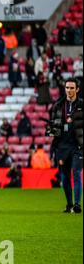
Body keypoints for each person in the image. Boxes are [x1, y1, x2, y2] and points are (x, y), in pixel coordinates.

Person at [49, 78, 83, 213]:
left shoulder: (82, 105)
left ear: (77, 90)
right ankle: (69, 205)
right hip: (62, 146)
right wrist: (52, 131)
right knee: (64, 177)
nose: (69, 90)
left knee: (76, 172)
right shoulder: (58, 105)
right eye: (67, 88)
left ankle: (77, 204)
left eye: (71, 88)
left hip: (78, 145)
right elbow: (53, 127)